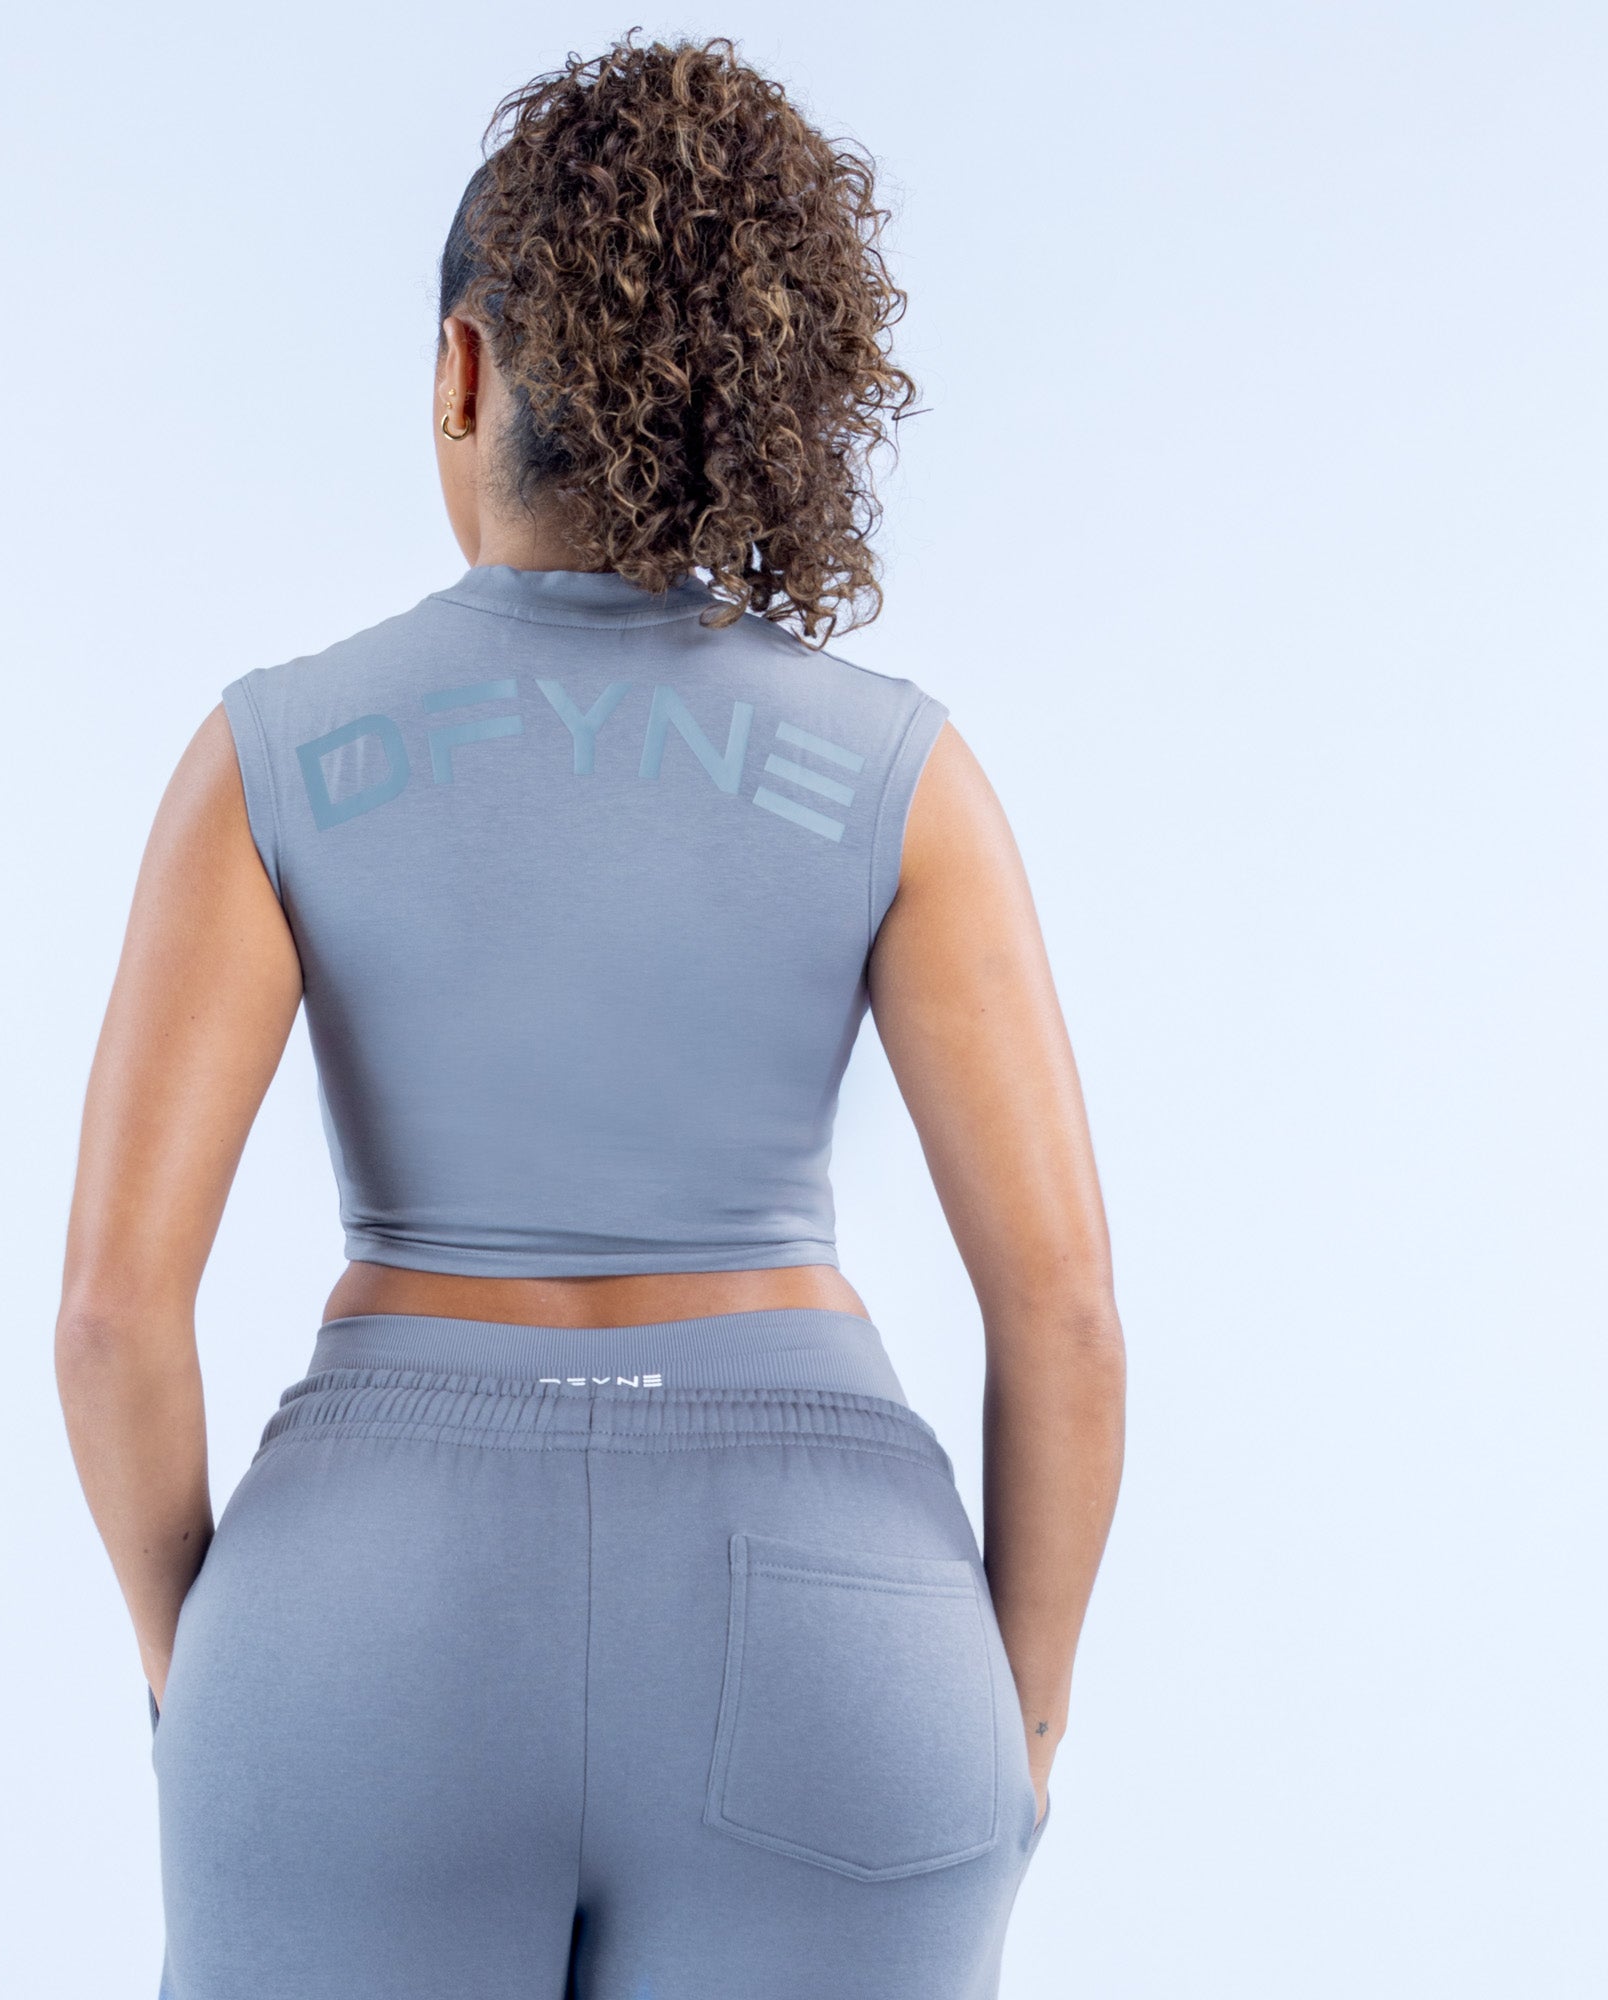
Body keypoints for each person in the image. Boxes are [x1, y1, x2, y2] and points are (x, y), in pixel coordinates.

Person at [56, 33, 1124, 2000]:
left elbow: (116, 1312)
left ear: (461, 371)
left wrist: (197, 1669)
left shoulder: (275, 756)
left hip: (360, 1618)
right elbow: (1060, 1314)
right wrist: (1022, 1726)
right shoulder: (899, 774)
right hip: (832, 1634)